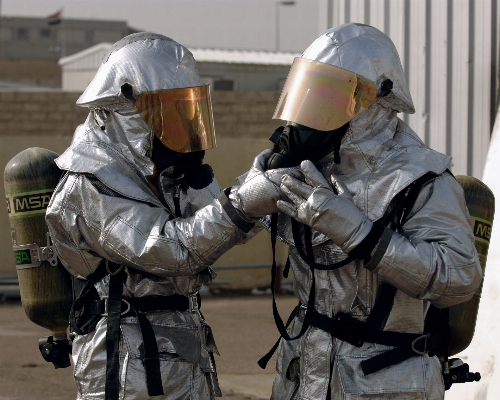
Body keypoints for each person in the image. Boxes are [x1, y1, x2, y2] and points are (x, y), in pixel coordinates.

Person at [240, 23, 482, 399]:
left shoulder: (421, 178)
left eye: (328, 98)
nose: (311, 112)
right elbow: (210, 234)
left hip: (384, 381)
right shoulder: (305, 166)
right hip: (304, 375)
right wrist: (246, 195)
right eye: (310, 95)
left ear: (376, 101)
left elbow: (461, 278)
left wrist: (361, 235)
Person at [45, 32, 288, 400]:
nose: (181, 128)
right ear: (124, 112)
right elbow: (174, 249)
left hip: (181, 357)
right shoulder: (89, 183)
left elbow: (222, 228)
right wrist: (244, 201)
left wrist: (262, 178)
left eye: (187, 112)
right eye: (168, 114)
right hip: (127, 368)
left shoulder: (164, 173)